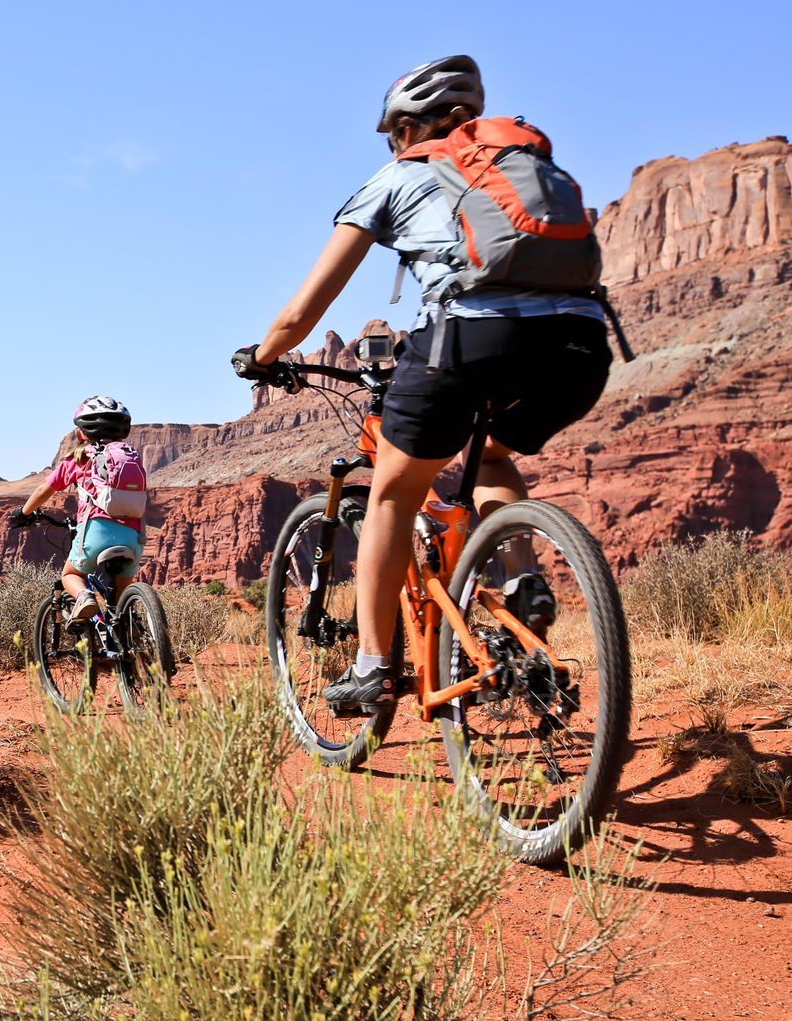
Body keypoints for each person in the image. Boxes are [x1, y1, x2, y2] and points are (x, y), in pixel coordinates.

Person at [231, 54, 612, 715]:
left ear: (410, 128)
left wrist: (264, 357)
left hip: (471, 338)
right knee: (489, 452)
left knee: (390, 494)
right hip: (580, 346)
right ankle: (521, 577)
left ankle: (373, 668)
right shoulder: (527, 167)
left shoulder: (400, 175)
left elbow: (302, 313)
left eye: (393, 133)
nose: (393, 145)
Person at [12, 396, 146, 630]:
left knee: (70, 575)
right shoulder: (131, 457)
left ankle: (84, 598)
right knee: (121, 603)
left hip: (96, 532)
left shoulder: (80, 459)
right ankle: (133, 639)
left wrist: (23, 513)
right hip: (134, 535)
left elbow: (45, 489)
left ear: (83, 431)